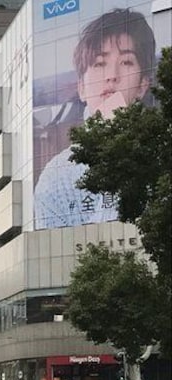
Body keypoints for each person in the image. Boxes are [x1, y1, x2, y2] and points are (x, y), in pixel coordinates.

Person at [34, 8, 157, 229]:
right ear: (81, 87)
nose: (112, 75)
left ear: (142, 85)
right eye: (100, 64)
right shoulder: (56, 176)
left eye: (126, 62)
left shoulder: (161, 154)